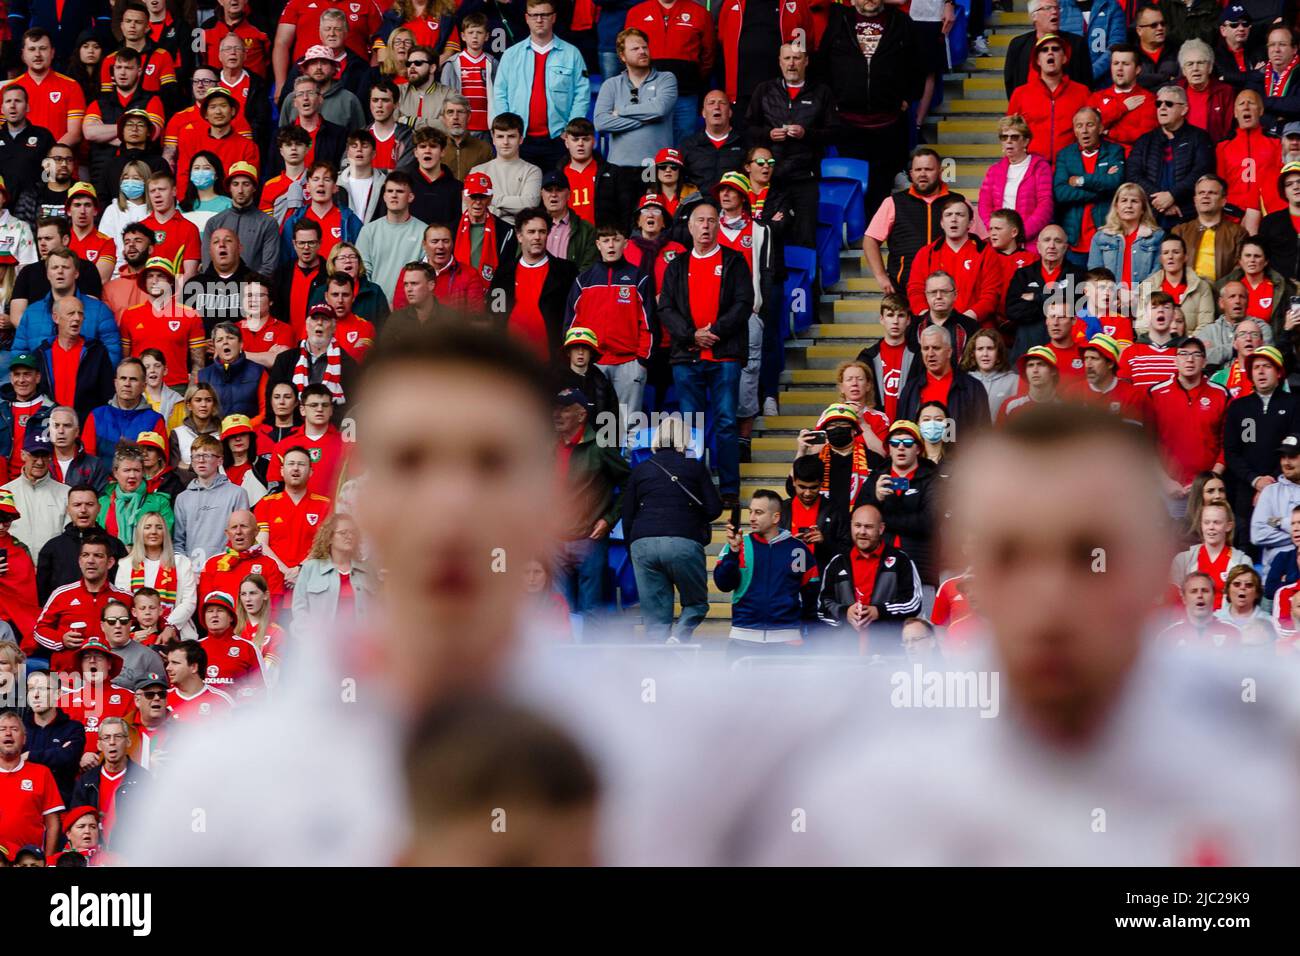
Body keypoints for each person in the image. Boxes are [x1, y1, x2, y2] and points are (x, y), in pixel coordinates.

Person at [658, 200, 753, 507]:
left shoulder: (735, 261)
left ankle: (728, 491)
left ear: (718, 225)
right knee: (690, 425)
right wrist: (691, 335)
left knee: (726, 422)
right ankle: (694, 488)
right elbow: (666, 308)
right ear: (690, 226)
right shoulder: (677, 265)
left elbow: (743, 303)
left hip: (724, 355)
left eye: (712, 221)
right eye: (701, 220)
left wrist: (715, 333)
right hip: (687, 356)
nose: (706, 226)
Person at [815, 0, 923, 218]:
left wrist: (908, 98)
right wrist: (831, 100)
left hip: (889, 123)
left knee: (882, 184)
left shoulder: (901, 22)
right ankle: (856, 234)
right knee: (853, 185)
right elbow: (822, 65)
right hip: (847, 122)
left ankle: (879, 233)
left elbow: (917, 65)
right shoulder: (838, 21)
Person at [622, 414, 721, 643]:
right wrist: (690, 516)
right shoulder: (694, 468)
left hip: (642, 543)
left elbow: (627, 515)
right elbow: (715, 508)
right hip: (684, 540)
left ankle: (658, 661)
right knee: (696, 603)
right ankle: (678, 637)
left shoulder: (640, 470)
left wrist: (633, 549)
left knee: (655, 620)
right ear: (685, 440)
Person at [551, 387, 630, 628]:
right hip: (553, 540)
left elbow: (629, 483)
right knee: (558, 611)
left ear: (581, 414)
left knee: (590, 611)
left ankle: (588, 662)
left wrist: (609, 519)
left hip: (589, 539)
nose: (557, 414)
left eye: (565, 409)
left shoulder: (601, 445)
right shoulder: (547, 446)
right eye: (556, 408)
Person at [715, 488, 817, 658]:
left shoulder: (798, 549)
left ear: (776, 517)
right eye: (751, 512)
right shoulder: (738, 545)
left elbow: (811, 596)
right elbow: (723, 585)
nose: (752, 517)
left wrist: (806, 635)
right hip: (742, 638)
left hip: (787, 641)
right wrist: (733, 551)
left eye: (759, 512)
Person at [564, 223, 653, 416]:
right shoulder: (583, 280)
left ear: (626, 244)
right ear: (598, 244)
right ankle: (597, 449)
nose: (611, 245)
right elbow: (571, 324)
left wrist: (641, 361)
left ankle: (625, 449)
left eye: (616, 240)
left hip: (629, 363)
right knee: (590, 419)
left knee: (628, 423)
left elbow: (648, 323)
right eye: (605, 241)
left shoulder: (639, 277)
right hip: (592, 363)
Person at [492, 0, 589, 169]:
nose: (539, 20)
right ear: (526, 18)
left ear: (554, 18)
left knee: (556, 193)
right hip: (520, 140)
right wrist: (507, 130)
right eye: (534, 15)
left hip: (558, 139)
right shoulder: (511, 55)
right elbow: (500, 93)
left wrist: (571, 130)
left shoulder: (571, 54)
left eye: (544, 15)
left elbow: (582, 94)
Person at [815, 500, 922, 653]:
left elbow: (913, 603)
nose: (862, 532)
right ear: (851, 526)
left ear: (881, 528)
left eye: (869, 527)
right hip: (845, 653)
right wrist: (845, 613)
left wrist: (878, 611)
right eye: (857, 526)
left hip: (889, 651)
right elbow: (822, 607)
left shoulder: (900, 560)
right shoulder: (837, 563)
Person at [593, 27, 677, 224]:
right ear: (622, 56)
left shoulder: (666, 79)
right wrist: (646, 117)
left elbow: (659, 109)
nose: (642, 51)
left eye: (645, 47)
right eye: (635, 48)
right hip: (619, 167)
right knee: (621, 226)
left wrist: (621, 111)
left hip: (653, 167)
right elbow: (601, 122)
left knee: (653, 225)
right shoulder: (611, 85)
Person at [1147, 336, 1230, 515]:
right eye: (1183, 354)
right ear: (1175, 360)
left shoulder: (1221, 394)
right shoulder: (1156, 394)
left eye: (1196, 354)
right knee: (1168, 542)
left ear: (1204, 361)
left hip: (1207, 492)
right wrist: (1164, 480)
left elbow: (1228, 444)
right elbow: (1146, 444)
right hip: (1167, 490)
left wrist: (1209, 481)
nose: (1190, 359)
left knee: (1207, 541)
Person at [489, 208, 579, 360]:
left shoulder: (566, 272)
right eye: (531, 232)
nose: (537, 237)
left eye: (542, 232)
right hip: (510, 362)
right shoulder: (503, 274)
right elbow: (495, 314)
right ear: (519, 236)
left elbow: (575, 316)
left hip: (552, 362)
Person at [1126, 84, 1216, 231]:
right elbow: (1133, 174)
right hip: (1151, 217)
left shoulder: (1199, 137)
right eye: (1158, 104)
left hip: (1186, 216)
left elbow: (1202, 172)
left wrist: (1172, 195)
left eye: (1168, 104)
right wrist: (1161, 201)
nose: (1162, 107)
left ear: (1184, 109)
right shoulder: (1145, 140)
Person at [862, 149, 951, 296]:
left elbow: (982, 242)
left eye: (928, 169)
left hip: (948, 292)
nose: (922, 174)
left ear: (940, 171)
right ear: (911, 173)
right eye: (918, 169)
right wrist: (881, 276)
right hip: (904, 291)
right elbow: (870, 240)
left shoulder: (958, 203)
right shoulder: (893, 202)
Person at [33, 531, 133, 654]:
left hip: (112, 669)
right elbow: (39, 630)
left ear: (110, 562)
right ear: (80, 561)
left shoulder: (126, 598)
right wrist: (61, 640)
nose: (90, 560)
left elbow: (147, 623)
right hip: (66, 670)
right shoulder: (61, 594)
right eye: (85, 555)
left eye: (98, 555)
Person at [12, 250, 119, 365]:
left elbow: (112, 352)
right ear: (48, 274)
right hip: (41, 381)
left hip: (86, 382)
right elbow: (20, 352)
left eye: (66, 267)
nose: (60, 271)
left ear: (76, 273)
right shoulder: (31, 312)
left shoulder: (100, 311)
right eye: (55, 267)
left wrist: (91, 378)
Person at [906, 200, 997, 328]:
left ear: (970, 223)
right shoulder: (926, 254)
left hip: (976, 329)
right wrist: (931, 321)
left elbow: (991, 295)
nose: (954, 219)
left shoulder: (986, 253)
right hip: (933, 328)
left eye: (960, 215)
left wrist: (961, 322)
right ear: (942, 223)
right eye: (948, 215)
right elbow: (915, 291)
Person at [1008, 33, 1091, 168]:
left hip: (1071, 168)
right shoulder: (1020, 94)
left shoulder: (1083, 92)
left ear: (1064, 58)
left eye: (1056, 49)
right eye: (1044, 50)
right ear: (1037, 60)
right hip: (1032, 169)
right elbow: (1009, 136)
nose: (1050, 53)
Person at [112, 509, 195, 642]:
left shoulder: (181, 563)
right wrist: (134, 635)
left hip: (177, 632)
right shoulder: (126, 564)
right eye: (147, 527)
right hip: (136, 633)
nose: (153, 532)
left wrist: (170, 626)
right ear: (140, 532)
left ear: (165, 533)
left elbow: (189, 602)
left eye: (159, 527)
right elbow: (122, 603)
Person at [35, 483, 124, 602]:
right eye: (77, 505)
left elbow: (122, 587)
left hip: (107, 614)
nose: (83, 510)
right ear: (68, 509)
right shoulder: (52, 547)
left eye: (89, 504)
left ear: (99, 508)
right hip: (65, 615)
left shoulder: (114, 545)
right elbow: (42, 593)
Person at [290, 511, 373, 639]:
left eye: (352, 533)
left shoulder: (367, 571)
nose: (349, 536)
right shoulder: (310, 568)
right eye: (343, 532)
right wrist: (310, 638)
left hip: (360, 647)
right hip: (322, 646)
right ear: (329, 537)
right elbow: (300, 609)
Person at [896, 325, 992, 434]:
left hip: (960, 450)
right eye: (925, 348)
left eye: (936, 348)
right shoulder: (910, 389)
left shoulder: (973, 387)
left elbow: (983, 433)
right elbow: (901, 432)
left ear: (949, 352)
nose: (930, 354)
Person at [172, 434, 250, 564]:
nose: (201, 460)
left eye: (207, 455)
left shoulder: (237, 493)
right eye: (196, 456)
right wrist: (185, 569)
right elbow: (178, 541)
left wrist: (226, 564)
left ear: (220, 460)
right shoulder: (182, 498)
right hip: (191, 573)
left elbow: (241, 537)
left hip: (226, 569)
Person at [980, 115, 1054, 243]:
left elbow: (1045, 205)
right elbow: (984, 206)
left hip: (1029, 240)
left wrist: (1021, 233)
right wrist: (996, 232)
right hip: (999, 241)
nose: (1008, 141)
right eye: (1004, 137)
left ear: (1025, 141)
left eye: (1014, 137)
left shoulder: (1040, 167)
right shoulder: (994, 170)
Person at [0, 709, 64, 857]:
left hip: (28, 860)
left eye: (14, 729)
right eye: (2, 729)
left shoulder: (41, 773)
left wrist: (48, 861)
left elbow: (53, 824)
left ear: (24, 739)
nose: (8, 733)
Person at [201, 163, 280, 281]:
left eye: (246, 184)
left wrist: (248, 287)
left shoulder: (268, 223)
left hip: (252, 292)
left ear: (254, 188)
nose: (240, 190)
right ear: (229, 188)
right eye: (235, 184)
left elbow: (269, 267)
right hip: (219, 291)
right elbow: (207, 263)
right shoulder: (214, 223)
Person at [356, 172, 428, 298]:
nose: (394, 195)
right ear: (384, 196)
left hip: (411, 306)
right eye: (390, 191)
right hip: (375, 304)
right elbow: (362, 272)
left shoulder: (424, 232)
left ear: (410, 197)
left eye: (400, 191)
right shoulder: (368, 231)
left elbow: (427, 274)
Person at [21, 669, 85, 804]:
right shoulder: (19, 728)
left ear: (58, 694)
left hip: (61, 804)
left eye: (43, 689)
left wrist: (29, 756)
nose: (36, 695)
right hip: (24, 803)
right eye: (31, 689)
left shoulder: (73, 728)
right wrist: (56, 753)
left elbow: (67, 757)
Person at [3, 428, 68, 557]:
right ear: (23, 455)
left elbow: (69, 538)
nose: (39, 462)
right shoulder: (4, 492)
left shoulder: (66, 493)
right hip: (15, 569)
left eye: (44, 456)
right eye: (34, 455)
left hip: (53, 570)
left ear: (50, 458)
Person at [97, 445, 171, 549]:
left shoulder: (160, 502)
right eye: (127, 470)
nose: (132, 475)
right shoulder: (102, 503)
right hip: (111, 561)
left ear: (143, 472)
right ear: (115, 472)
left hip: (146, 561)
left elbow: (166, 537)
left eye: (137, 470)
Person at [1217, 240, 1296, 336]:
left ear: (1266, 261)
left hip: (1271, 345)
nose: (1252, 260)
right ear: (1240, 261)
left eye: (1257, 256)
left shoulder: (1281, 288)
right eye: (1247, 256)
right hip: (1235, 344)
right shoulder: (1226, 286)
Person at [0, 489, 42, 645]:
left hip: (16, 619)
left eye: (6, 519)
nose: (1, 525)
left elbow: (27, 593)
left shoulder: (21, 549)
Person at [1158, 570, 1243, 647]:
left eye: (1205, 591)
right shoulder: (1168, 636)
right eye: (1194, 591)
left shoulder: (1233, 633)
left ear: (1214, 596)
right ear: (1184, 598)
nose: (1200, 595)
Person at [1178, 37, 1235, 141]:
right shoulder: (1175, 93)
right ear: (1184, 70)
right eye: (1190, 64)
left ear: (1210, 67)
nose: (1195, 68)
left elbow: (1229, 131)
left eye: (1200, 63)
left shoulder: (1225, 92)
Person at [162, 640, 233, 723]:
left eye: (175, 663)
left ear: (194, 667)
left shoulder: (222, 701)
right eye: (168, 663)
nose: (168, 668)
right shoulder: (162, 699)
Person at [408, 127, 463, 227]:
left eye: (433, 146)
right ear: (415, 152)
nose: (427, 151)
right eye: (422, 146)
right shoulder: (404, 185)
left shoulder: (457, 188)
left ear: (442, 152)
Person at [960, 329, 1020, 420]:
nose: (985, 354)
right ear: (973, 354)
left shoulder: (1015, 381)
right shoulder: (963, 382)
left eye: (990, 348)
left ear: (999, 354)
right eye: (980, 349)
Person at [1259, 162, 1300, 281]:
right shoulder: (1270, 222)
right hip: (1279, 290)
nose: (1296, 187)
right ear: (1284, 192)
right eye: (1289, 184)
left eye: (1299, 182)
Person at [438, 96, 493, 180]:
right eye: (450, 112)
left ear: (469, 116)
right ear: (444, 118)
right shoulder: (436, 148)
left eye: (460, 112)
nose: (455, 117)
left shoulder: (484, 149)